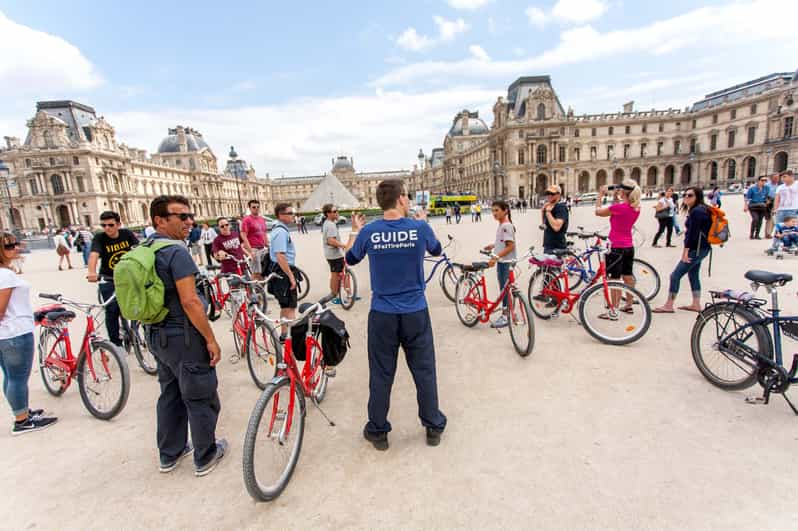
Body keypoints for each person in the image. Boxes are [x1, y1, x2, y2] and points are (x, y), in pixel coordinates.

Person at [346, 179, 447, 450]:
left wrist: (356, 231)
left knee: (381, 373)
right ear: (402, 199)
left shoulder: (370, 231)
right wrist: (424, 222)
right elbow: (437, 250)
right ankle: (432, 425)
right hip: (415, 311)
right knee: (424, 370)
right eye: (408, 197)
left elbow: (350, 259)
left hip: (382, 313)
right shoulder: (419, 228)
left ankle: (378, 430)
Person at [146, 195, 226, 476]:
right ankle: (206, 455)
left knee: (169, 393)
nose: (189, 221)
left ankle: (170, 453)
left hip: (156, 334)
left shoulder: (144, 248)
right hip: (183, 336)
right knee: (200, 395)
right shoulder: (176, 252)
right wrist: (210, 339)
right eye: (182, 216)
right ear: (160, 220)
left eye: (190, 216)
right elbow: (191, 301)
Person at [0, 232, 58, 435]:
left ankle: (21, 412)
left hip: (6, 334)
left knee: (9, 376)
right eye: (9, 246)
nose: (15, 248)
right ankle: (22, 421)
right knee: (17, 378)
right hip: (15, 333)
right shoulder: (5, 275)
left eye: (15, 244)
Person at [654, 187, 713, 314]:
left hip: (695, 249)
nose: (686, 197)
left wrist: (685, 251)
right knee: (693, 274)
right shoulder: (703, 209)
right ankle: (696, 304)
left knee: (675, 275)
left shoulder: (697, 211)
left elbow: (693, 234)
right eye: (685, 195)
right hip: (703, 248)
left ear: (698, 196)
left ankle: (669, 305)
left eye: (690, 195)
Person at [87, 211, 139, 349]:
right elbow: (93, 255)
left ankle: (139, 333)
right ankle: (116, 344)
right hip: (108, 277)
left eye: (111, 225)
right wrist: (91, 272)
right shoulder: (100, 238)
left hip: (128, 276)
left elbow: (139, 251)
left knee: (138, 305)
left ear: (118, 224)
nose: (107, 228)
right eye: (103, 225)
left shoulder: (126, 234)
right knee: (112, 310)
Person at [594, 181, 641, 318]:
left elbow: (598, 212)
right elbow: (620, 207)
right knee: (628, 276)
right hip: (628, 246)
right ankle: (628, 305)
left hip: (616, 247)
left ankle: (613, 310)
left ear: (623, 192)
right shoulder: (636, 207)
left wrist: (600, 195)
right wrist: (617, 196)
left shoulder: (619, 208)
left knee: (614, 279)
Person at [269, 203, 300, 340]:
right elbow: (280, 256)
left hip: (279, 270)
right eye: (290, 213)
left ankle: (283, 334)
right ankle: (293, 337)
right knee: (291, 306)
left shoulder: (277, 229)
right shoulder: (281, 231)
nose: (293, 215)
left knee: (285, 305)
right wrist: (291, 276)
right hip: (284, 271)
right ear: (281, 215)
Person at [483, 200, 516, 328]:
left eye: (497, 210)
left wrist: (495, 257)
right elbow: (504, 242)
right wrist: (494, 245)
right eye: (493, 210)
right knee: (505, 288)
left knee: (504, 289)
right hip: (504, 261)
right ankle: (509, 312)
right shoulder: (503, 225)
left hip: (504, 262)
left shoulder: (506, 226)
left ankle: (505, 315)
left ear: (505, 210)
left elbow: (510, 246)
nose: (494, 213)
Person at [321, 204, 358, 305]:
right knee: (337, 275)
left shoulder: (328, 223)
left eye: (337, 210)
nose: (337, 213)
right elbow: (330, 240)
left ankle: (345, 293)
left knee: (338, 274)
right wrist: (343, 245)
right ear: (328, 213)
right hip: (335, 255)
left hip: (331, 254)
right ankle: (336, 295)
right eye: (334, 211)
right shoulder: (331, 225)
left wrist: (353, 219)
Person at [240, 200, 269, 278]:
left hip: (263, 248)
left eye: (258, 207)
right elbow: (243, 235)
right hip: (254, 249)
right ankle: (254, 289)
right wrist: (250, 250)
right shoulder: (246, 220)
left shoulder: (261, 219)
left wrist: (268, 245)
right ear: (249, 208)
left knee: (265, 271)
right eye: (253, 207)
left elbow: (264, 233)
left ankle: (261, 288)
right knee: (256, 272)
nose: (256, 208)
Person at [541, 184, 569, 254]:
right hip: (548, 246)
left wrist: (548, 212)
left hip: (557, 248)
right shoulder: (549, 206)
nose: (549, 195)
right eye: (548, 193)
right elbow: (544, 225)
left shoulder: (561, 207)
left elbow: (556, 227)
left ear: (558, 195)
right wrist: (542, 211)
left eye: (552, 193)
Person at [764, 173, 781, 238]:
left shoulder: (779, 185)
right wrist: (766, 200)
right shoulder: (767, 185)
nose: (777, 179)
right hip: (769, 202)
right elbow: (763, 193)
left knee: (774, 219)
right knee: (770, 218)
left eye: (778, 178)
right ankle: (768, 233)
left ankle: (769, 233)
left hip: (776, 202)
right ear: (771, 178)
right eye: (775, 178)